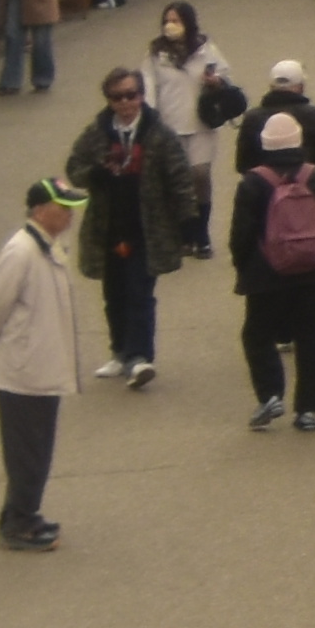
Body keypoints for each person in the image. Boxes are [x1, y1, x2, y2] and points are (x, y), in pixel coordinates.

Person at [0, 174, 79, 550]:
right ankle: (19, 523)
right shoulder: (21, 251)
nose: (70, 218)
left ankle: (19, 512)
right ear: (40, 211)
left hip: (39, 366)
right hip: (24, 371)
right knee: (28, 451)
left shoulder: (45, 246)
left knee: (35, 448)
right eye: (63, 210)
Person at [64, 73, 186, 390]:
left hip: (146, 229)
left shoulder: (159, 134)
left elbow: (179, 178)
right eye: (117, 97)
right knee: (113, 294)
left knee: (139, 294)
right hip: (108, 228)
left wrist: (187, 222)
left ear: (142, 96)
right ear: (108, 100)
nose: (125, 103)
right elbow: (74, 168)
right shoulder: (97, 133)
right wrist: (97, 173)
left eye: (131, 95)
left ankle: (139, 357)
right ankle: (120, 352)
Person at [225, 112, 315, 432]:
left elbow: (241, 235)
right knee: (314, 336)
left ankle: (270, 395)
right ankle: (309, 409)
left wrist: (244, 267)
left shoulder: (253, 182)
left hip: (267, 274)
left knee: (257, 334)